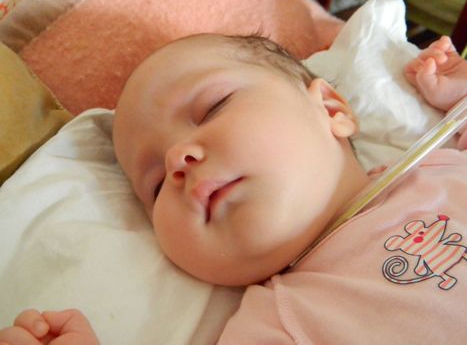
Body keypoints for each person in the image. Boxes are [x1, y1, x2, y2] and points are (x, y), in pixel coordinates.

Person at [0, 34, 466, 344]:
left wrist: (456, 95)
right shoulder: (273, 326)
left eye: (212, 108)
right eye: (156, 185)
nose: (177, 159)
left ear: (328, 107)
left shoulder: (436, 161)